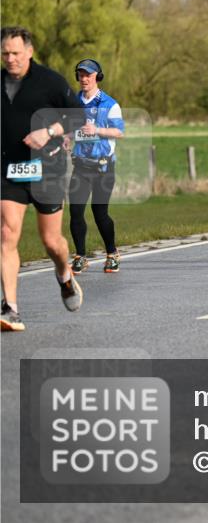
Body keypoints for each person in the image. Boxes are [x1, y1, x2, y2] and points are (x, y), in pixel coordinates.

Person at [1, 26, 85, 332]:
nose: (10, 59)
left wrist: (48, 131)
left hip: (46, 167)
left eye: (15, 53)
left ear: (29, 51)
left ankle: (64, 275)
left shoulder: (50, 82)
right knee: (7, 233)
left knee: (51, 241)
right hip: (9, 169)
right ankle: (10, 308)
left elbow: (79, 117)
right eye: (5, 53)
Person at [67, 59, 125, 275]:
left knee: (99, 212)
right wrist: (66, 137)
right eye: (81, 75)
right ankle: (80, 256)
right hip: (81, 166)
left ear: (97, 77)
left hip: (103, 167)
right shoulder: (73, 101)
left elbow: (119, 132)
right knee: (75, 211)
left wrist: (97, 130)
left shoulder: (110, 104)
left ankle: (112, 253)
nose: (84, 79)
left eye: (88, 75)